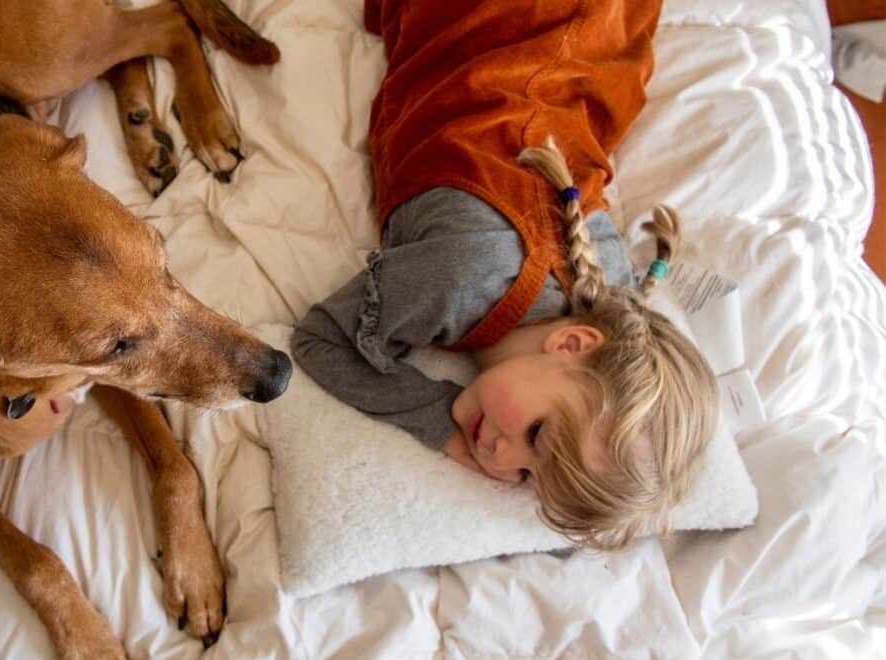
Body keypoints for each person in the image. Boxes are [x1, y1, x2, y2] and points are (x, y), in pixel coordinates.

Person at [292, 0, 719, 550]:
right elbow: (319, 340)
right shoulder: (462, 279)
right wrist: (439, 423)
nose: (499, 456)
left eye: (526, 477)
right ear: (571, 343)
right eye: (536, 435)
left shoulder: (613, 301)